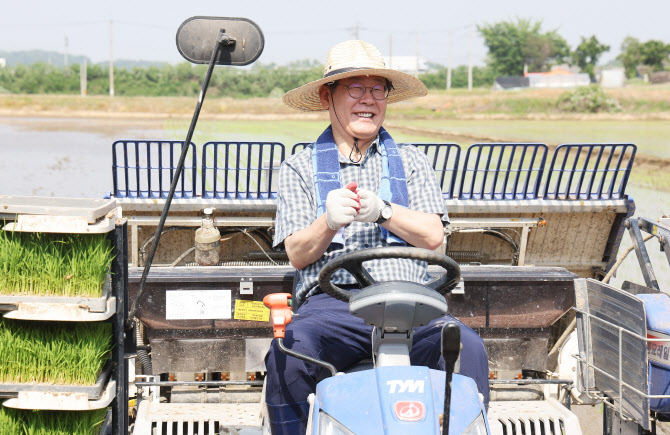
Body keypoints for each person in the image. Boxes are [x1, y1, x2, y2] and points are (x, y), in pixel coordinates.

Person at [265, 40, 489, 434]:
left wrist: (384, 211)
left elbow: (433, 235)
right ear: (326, 96)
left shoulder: (414, 162)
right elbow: (298, 255)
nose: (367, 100)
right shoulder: (300, 168)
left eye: (376, 89)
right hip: (335, 307)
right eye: (354, 88)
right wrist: (328, 221)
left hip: (412, 305)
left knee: (467, 347)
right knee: (291, 351)